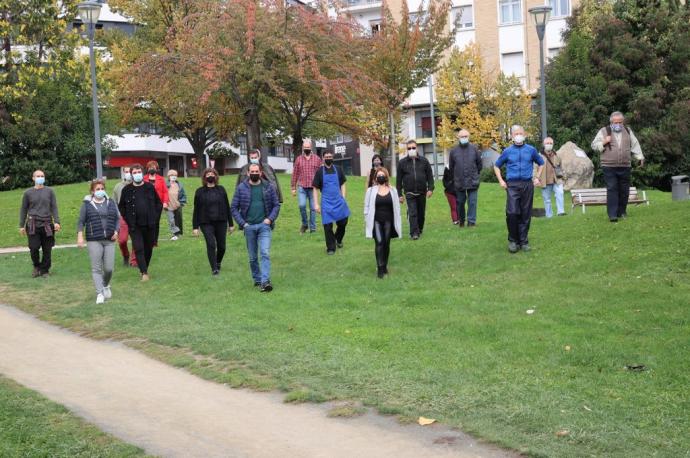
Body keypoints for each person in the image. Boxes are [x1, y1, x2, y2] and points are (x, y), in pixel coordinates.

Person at [493, 126, 544, 253]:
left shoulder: (531, 150)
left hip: (527, 184)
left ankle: (523, 241)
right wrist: (501, 180)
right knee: (512, 212)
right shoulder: (508, 151)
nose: (518, 135)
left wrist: (537, 177)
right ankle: (513, 240)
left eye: (521, 133)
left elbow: (541, 163)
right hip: (512, 185)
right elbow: (496, 166)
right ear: (512, 136)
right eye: (516, 133)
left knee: (525, 213)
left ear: (525, 135)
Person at [231, 163, 281, 292]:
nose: (254, 173)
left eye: (256, 171)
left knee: (264, 252)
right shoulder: (241, 188)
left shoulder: (268, 186)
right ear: (248, 173)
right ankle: (257, 279)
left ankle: (265, 281)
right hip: (249, 227)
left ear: (260, 172)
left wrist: (269, 219)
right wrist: (243, 224)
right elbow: (234, 208)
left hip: (264, 226)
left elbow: (276, 205)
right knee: (253, 257)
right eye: (251, 171)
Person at [591, 111, 645, 222]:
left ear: (623, 122)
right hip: (608, 166)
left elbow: (635, 144)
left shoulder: (628, 131)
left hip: (625, 165)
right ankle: (612, 215)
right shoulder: (604, 131)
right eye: (616, 122)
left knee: (624, 190)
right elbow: (594, 145)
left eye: (620, 122)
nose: (618, 124)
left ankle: (622, 212)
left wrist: (640, 157)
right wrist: (604, 142)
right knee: (612, 189)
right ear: (611, 122)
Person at [76, 179, 120, 304]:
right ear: (92, 191)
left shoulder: (110, 202)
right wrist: (80, 236)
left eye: (102, 189)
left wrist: (116, 231)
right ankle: (99, 293)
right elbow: (81, 221)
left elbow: (117, 218)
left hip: (109, 240)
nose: (100, 191)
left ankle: (105, 285)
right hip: (94, 239)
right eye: (97, 189)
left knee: (109, 268)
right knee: (96, 268)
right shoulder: (87, 204)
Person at [118, 164, 163, 281]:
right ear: (131, 174)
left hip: (150, 224)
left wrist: (155, 216)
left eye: (139, 172)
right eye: (134, 172)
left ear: (142, 173)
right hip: (135, 225)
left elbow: (159, 203)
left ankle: (145, 268)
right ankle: (144, 273)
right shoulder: (126, 190)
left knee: (148, 248)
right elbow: (121, 206)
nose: (137, 174)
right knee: (138, 248)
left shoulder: (149, 187)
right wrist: (127, 219)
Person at [18, 170, 61, 277]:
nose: (40, 177)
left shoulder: (50, 191)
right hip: (32, 224)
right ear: (33, 178)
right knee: (34, 247)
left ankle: (45, 270)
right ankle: (37, 267)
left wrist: (56, 221)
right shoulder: (28, 193)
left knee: (47, 249)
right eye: (38, 176)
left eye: (42, 176)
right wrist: (21, 225)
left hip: (47, 224)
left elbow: (54, 207)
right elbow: (23, 209)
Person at [192, 168, 235, 275]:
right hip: (206, 222)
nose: (210, 176)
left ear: (216, 177)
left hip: (221, 221)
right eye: (208, 174)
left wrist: (231, 224)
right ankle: (214, 268)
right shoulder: (199, 191)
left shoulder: (221, 190)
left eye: (212, 174)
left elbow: (227, 207)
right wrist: (195, 227)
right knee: (211, 244)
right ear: (204, 177)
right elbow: (196, 210)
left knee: (222, 247)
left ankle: (218, 262)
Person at [364, 167, 402, 278]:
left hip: (389, 221)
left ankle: (385, 265)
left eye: (383, 175)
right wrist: (367, 218)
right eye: (379, 175)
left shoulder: (393, 190)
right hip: (376, 220)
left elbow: (397, 207)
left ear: (386, 177)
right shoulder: (370, 191)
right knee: (379, 242)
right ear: (375, 178)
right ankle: (380, 268)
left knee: (386, 243)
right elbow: (366, 206)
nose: (381, 177)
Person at [313, 151, 350, 255]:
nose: (328, 158)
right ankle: (331, 248)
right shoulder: (319, 171)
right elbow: (315, 188)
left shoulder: (338, 169)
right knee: (327, 226)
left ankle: (338, 238)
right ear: (323, 158)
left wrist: (343, 197)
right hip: (326, 202)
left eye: (330, 156)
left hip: (338, 200)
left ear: (332, 157)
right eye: (326, 157)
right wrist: (316, 204)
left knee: (343, 221)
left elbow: (343, 184)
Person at [396, 140, 434, 240]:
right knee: (413, 213)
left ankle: (419, 229)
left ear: (417, 148)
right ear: (407, 150)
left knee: (421, 214)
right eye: (409, 148)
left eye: (413, 148)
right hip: (409, 193)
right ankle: (414, 233)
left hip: (422, 192)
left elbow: (430, 176)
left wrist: (430, 189)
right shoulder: (402, 163)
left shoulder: (424, 161)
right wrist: (399, 194)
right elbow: (398, 180)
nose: (411, 149)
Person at [448, 129, 483, 227]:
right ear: (458, 137)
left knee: (472, 202)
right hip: (459, 181)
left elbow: (479, 164)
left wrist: (475, 173)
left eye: (466, 136)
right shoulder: (453, 151)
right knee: (460, 202)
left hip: (473, 181)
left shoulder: (474, 149)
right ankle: (462, 221)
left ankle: (471, 221)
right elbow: (451, 167)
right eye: (462, 136)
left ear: (469, 137)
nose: (464, 138)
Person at [290, 140, 321, 233]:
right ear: (303, 148)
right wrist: (293, 188)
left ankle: (313, 228)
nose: (306, 149)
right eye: (305, 148)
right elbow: (295, 173)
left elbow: (320, 173)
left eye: (308, 147)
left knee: (313, 208)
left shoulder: (317, 159)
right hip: (302, 187)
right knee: (302, 205)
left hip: (313, 188)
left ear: (311, 148)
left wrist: (321, 186)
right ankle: (304, 224)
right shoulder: (298, 159)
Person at [112, 166, 137, 267]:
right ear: (123, 173)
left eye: (129, 172)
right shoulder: (118, 186)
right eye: (126, 171)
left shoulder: (137, 185)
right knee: (122, 240)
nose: (128, 173)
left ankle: (134, 261)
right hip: (122, 216)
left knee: (136, 239)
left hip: (136, 217)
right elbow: (113, 202)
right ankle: (126, 255)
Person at [536, 137, 565, 218]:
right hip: (545, 180)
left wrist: (563, 176)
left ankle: (561, 212)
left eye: (550, 143)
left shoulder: (557, 155)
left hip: (556, 179)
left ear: (553, 144)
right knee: (547, 199)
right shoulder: (539, 155)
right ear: (544, 144)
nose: (549, 145)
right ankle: (549, 215)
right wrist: (536, 178)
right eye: (547, 143)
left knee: (560, 193)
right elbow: (535, 168)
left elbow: (561, 166)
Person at [143, 160, 169, 244]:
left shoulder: (161, 179)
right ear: (147, 169)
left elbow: (165, 191)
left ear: (156, 169)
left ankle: (154, 241)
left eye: (153, 167)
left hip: (158, 204)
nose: (151, 169)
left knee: (155, 222)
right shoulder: (143, 178)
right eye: (150, 167)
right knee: (147, 221)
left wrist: (165, 202)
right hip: (146, 204)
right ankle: (147, 239)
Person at [166, 169, 187, 240]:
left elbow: (183, 195)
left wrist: (181, 203)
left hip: (177, 205)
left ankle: (178, 234)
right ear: (168, 176)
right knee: (171, 220)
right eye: (172, 175)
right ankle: (175, 233)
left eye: (175, 175)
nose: (173, 177)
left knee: (178, 220)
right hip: (169, 206)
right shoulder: (166, 185)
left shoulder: (179, 185)